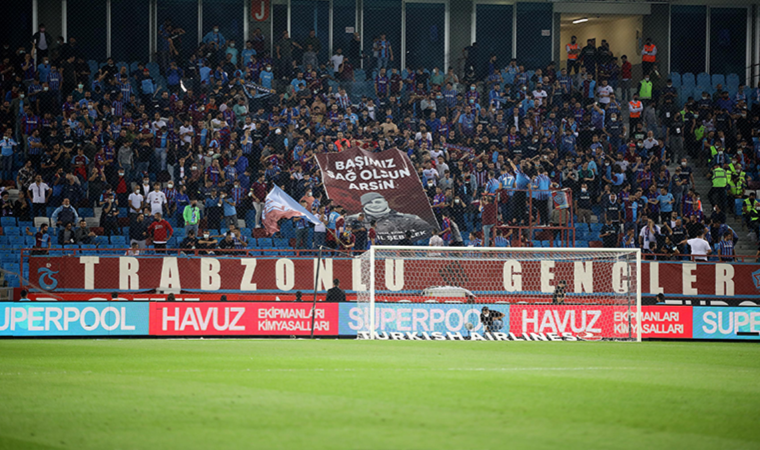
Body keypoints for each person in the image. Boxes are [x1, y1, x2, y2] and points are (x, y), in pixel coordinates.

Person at [345, 192, 434, 243]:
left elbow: (427, 231)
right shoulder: (351, 219)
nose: (374, 205)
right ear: (363, 206)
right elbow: (346, 232)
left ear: (386, 202)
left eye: (377, 202)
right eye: (369, 203)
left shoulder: (409, 218)